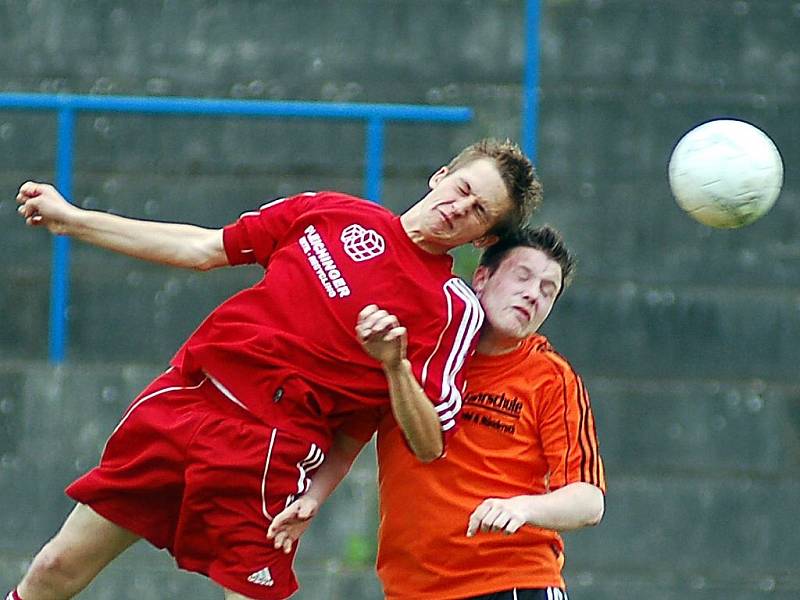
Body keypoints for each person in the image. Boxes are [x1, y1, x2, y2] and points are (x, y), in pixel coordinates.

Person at [10, 138, 541, 600]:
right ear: (440, 176)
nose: (459, 206)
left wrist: (394, 365)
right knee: (56, 566)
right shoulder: (328, 210)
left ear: (482, 239)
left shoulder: (450, 308)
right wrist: (73, 220)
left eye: (478, 211)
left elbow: (427, 442)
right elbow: (202, 248)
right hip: (184, 401)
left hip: (266, 449)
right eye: (462, 188)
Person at [268, 225, 607, 600]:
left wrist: (522, 508)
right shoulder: (414, 350)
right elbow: (349, 441)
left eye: (547, 291)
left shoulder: (551, 377)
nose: (532, 295)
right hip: (411, 589)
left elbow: (588, 500)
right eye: (522, 276)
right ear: (482, 277)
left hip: (512, 581)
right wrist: (312, 499)